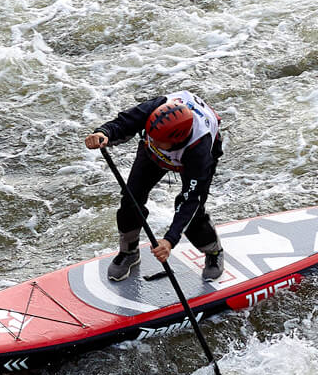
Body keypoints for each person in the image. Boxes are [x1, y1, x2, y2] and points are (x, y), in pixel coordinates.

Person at [85, 91, 224, 282]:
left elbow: (190, 200)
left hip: (190, 158)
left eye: (158, 142)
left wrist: (169, 240)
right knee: (130, 199)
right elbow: (125, 123)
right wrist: (104, 132)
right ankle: (129, 252)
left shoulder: (200, 151)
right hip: (152, 155)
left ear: (176, 140)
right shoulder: (154, 110)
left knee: (193, 214)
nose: (153, 142)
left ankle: (213, 252)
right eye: (151, 136)